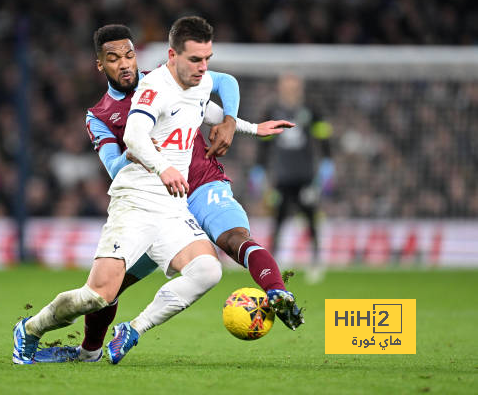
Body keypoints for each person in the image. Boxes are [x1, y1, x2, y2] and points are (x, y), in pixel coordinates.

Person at [32, 22, 302, 365]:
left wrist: (234, 121)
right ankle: (90, 351)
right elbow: (115, 167)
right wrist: (146, 155)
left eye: (130, 55)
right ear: (100, 64)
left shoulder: (166, 76)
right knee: (109, 289)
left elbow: (223, 84)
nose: (126, 64)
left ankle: (276, 289)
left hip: (201, 182)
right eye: (114, 58)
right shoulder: (99, 115)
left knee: (232, 239)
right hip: (155, 200)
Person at [256, 73, 334, 283]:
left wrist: (328, 163)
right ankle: (273, 264)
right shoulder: (272, 110)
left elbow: (323, 138)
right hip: (282, 175)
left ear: (300, 87)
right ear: (281, 87)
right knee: (278, 219)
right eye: (287, 85)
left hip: (306, 175)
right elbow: (264, 144)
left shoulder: (311, 110)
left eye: (294, 85)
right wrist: (259, 168)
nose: (290, 89)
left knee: (310, 216)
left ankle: (316, 262)